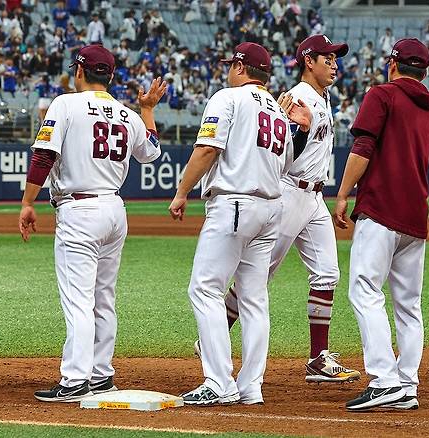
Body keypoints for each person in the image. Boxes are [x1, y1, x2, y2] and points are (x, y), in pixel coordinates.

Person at [208, 35, 361, 384]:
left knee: (327, 273)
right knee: (257, 278)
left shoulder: (323, 97)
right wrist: (296, 126)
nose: (335, 63)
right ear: (309, 61)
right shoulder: (296, 98)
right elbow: (281, 148)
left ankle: (318, 359)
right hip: (290, 192)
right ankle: (212, 338)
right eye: (328, 58)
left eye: (335, 58)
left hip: (315, 197)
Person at [19, 44, 167, 402]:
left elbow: (44, 154)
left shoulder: (65, 104)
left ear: (80, 72)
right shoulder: (128, 114)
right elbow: (151, 151)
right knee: (103, 298)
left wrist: (27, 202)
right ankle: (101, 375)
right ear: (112, 76)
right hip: (115, 211)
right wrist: (147, 110)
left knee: (79, 300)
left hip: (80, 211)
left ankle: (73, 380)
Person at [169, 42, 311, 406]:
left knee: (205, 289)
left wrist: (182, 191)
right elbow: (287, 163)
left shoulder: (228, 98)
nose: (228, 70)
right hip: (270, 208)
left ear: (240, 67)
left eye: (231, 64)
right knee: (254, 299)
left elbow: (207, 149)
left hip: (234, 203)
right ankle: (251, 386)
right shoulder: (280, 115)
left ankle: (219, 382)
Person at [334, 38, 429, 411]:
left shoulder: (382, 95)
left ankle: (384, 380)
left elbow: (363, 148)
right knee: (408, 305)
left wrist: (344, 192)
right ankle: (406, 383)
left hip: (381, 208)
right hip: (416, 214)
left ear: (393, 64)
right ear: (424, 71)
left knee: (364, 291)